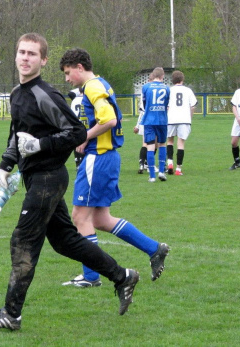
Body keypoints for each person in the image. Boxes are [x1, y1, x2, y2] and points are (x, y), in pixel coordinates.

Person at [0, 33, 140, 331]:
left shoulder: (46, 95)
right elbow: (18, 134)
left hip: (49, 178)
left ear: (43, 60)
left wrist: (40, 146)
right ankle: (123, 276)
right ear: (16, 56)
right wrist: (6, 164)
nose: (25, 58)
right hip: (34, 177)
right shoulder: (16, 93)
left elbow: (76, 133)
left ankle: (11, 315)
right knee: (65, 241)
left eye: (32, 54)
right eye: (21, 52)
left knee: (23, 240)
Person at [59, 48, 169, 289]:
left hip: (97, 157)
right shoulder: (100, 83)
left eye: (68, 73)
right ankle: (154, 249)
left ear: (79, 67)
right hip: (107, 158)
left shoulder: (91, 86)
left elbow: (108, 119)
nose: (67, 79)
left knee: (79, 216)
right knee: (100, 218)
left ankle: (90, 275)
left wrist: (84, 137)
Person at [140, 67, 170, 182]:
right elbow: (166, 104)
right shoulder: (167, 88)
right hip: (162, 119)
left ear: (152, 76)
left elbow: (144, 103)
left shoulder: (146, 87)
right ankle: (161, 171)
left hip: (149, 120)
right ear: (163, 76)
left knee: (150, 146)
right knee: (162, 144)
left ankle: (152, 176)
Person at [166, 70, 197, 176]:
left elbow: (167, 106)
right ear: (182, 79)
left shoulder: (169, 90)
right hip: (184, 119)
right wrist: (190, 117)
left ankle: (169, 163)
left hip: (171, 119)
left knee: (170, 141)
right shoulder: (188, 90)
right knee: (181, 144)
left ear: (172, 80)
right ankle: (178, 169)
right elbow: (193, 106)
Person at [134, 73, 157, 175]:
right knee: (154, 143)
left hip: (143, 118)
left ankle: (141, 164)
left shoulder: (144, 90)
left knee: (145, 143)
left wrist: (137, 125)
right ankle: (148, 164)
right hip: (153, 119)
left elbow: (141, 110)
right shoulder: (155, 90)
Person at [68, 87, 85, 169]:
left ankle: (77, 161)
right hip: (84, 122)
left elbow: (70, 92)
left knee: (77, 143)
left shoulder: (74, 99)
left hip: (75, 123)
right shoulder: (87, 99)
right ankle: (83, 161)